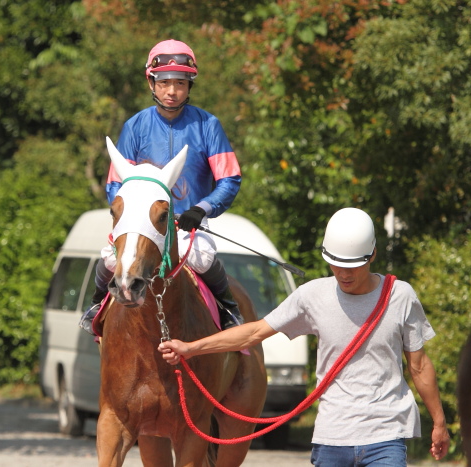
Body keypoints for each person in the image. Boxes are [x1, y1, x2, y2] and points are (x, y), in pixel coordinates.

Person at [158, 207, 451, 466]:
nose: (343, 273)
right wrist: (191, 348)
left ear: (372, 255)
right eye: (335, 264)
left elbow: (420, 365)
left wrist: (439, 421)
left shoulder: (401, 296)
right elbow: (254, 332)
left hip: (387, 435)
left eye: (352, 266)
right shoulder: (313, 295)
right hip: (332, 437)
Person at [79, 39, 244, 335]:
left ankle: (228, 309)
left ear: (190, 85)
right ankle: (96, 304)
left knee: (202, 257)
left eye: (180, 83)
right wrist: (126, 214)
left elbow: (230, 179)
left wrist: (201, 208)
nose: (171, 91)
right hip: (143, 225)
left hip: (187, 224)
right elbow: (115, 183)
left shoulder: (208, 125)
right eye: (164, 82)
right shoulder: (134, 126)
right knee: (109, 256)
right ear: (151, 83)